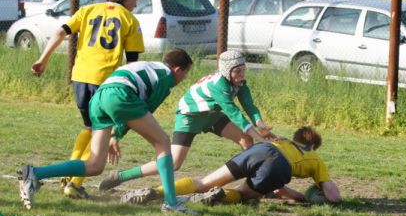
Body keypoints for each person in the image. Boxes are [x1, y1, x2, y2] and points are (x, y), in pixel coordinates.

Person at [18, 49, 194, 214]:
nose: (183, 78)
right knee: (162, 141)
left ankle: (34, 173)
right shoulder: (166, 77)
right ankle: (172, 204)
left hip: (99, 98)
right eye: (185, 74)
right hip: (119, 95)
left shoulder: (151, 66)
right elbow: (145, 108)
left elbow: (134, 109)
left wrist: (116, 134)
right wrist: (117, 134)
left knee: (95, 165)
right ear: (177, 69)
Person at [31, 0, 145, 200]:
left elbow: (59, 32)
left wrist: (43, 59)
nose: (136, 4)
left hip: (80, 78)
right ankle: (74, 183)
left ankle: (69, 175)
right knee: (99, 133)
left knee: (88, 128)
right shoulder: (129, 19)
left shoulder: (88, 10)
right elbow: (132, 62)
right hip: (106, 83)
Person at [97, 50, 275, 191]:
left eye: (243, 69)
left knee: (246, 140)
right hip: (189, 115)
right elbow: (234, 113)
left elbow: (249, 106)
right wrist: (262, 140)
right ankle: (120, 176)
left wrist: (261, 125)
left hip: (211, 114)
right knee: (173, 163)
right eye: (237, 70)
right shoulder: (218, 85)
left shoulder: (240, 82)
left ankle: (259, 183)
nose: (241, 74)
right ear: (227, 71)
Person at [121, 126, 342, 205]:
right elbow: (332, 195)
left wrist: (291, 194)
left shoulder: (281, 140)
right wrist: (307, 196)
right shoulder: (315, 159)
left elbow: (278, 189)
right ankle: (218, 196)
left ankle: (156, 191)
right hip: (279, 167)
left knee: (203, 181)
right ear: (312, 145)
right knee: (245, 195)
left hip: (260, 150)